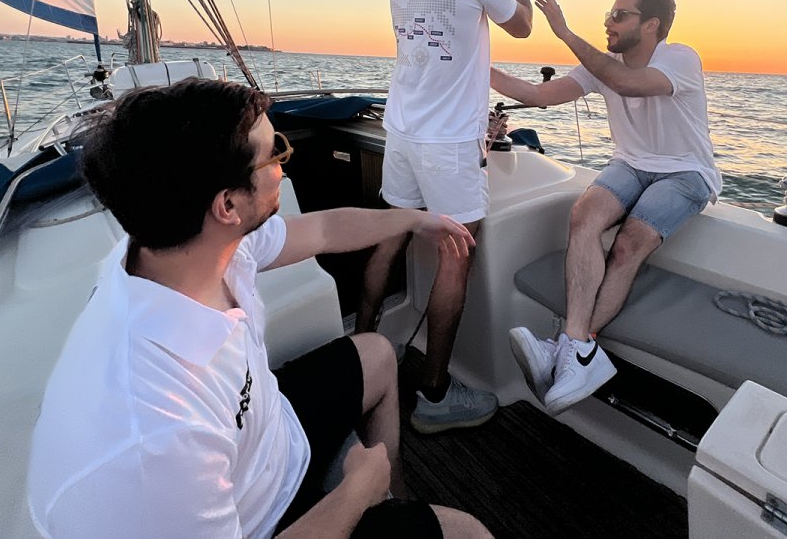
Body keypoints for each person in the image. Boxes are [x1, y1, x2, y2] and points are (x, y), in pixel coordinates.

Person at [27, 78, 491, 539]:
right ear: (227, 205)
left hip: (270, 440)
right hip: (264, 519)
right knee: (469, 533)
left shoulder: (181, 247)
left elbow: (325, 230)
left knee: (377, 354)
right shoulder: (155, 433)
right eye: (275, 155)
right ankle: (378, 504)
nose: (285, 168)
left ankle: (394, 504)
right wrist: (358, 490)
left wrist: (414, 218)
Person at [357, 0, 533, 434]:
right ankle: (434, 396)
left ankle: (360, 354)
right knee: (459, 253)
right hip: (450, 143)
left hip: (402, 130)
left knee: (390, 234)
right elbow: (524, 27)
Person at [492, 0, 720, 415]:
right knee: (583, 216)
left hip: (686, 171)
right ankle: (575, 351)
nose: (607, 22)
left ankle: (572, 348)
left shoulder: (680, 58)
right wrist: (476, 67)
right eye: (609, 14)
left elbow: (630, 84)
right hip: (631, 163)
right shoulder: (603, 65)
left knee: (629, 242)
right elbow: (540, 95)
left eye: (619, 15)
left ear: (650, 25)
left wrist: (565, 33)